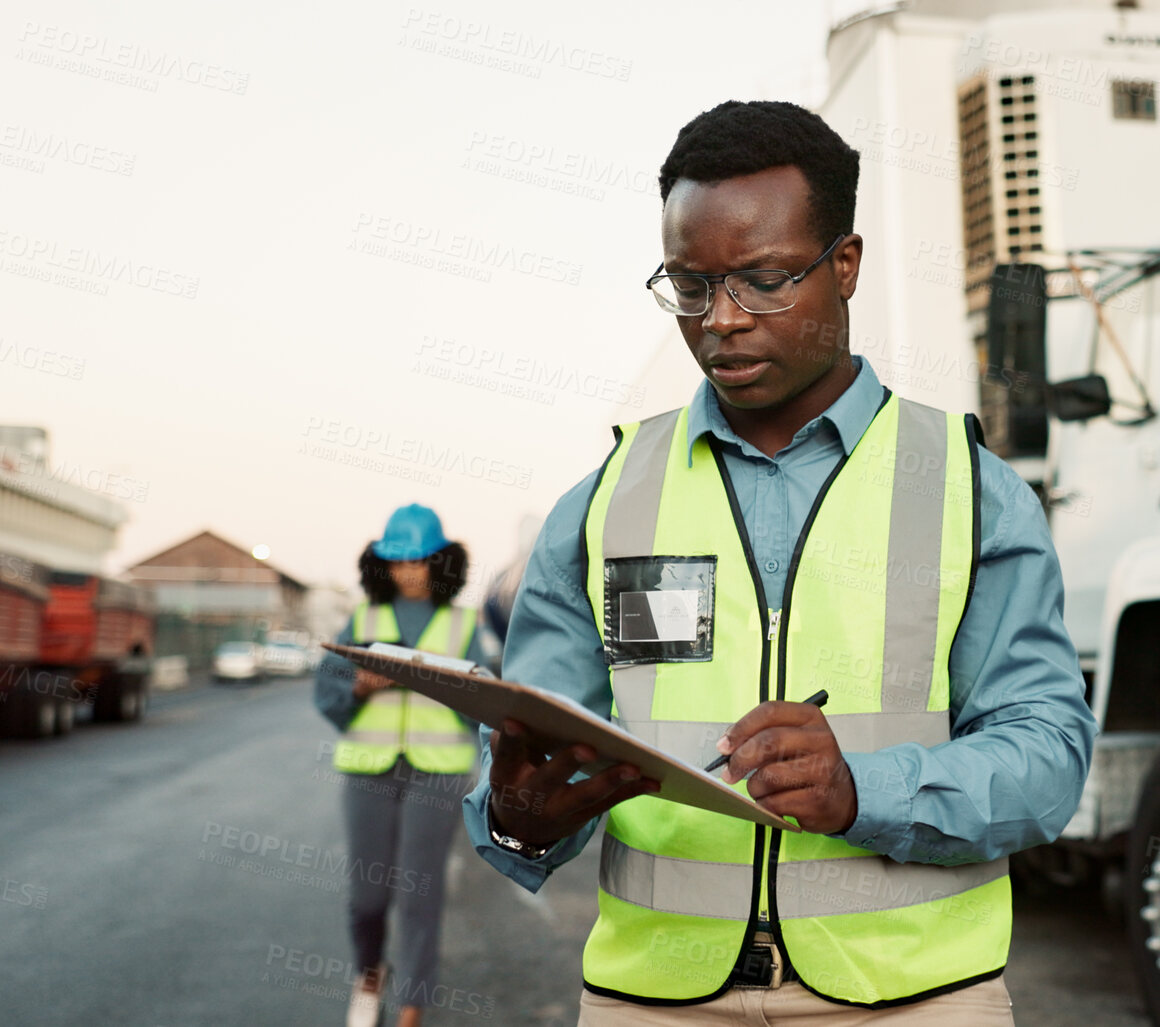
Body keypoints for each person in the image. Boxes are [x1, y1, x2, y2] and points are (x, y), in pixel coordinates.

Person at [460, 100, 1097, 1025]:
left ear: (844, 266)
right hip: (654, 1001)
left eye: (761, 281)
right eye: (689, 284)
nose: (719, 320)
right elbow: (531, 757)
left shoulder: (969, 489)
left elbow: (1048, 758)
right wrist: (516, 815)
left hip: (914, 1000)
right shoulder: (605, 501)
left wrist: (861, 791)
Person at [315, 503, 492, 1027]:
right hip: (369, 769)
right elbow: (327, 691)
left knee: (420, 890)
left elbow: (484, 701)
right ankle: (369, 974)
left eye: (419, 560)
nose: (408, 571)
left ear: (442, 563)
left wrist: (456, 688)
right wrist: (360, 686)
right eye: (397, 561)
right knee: (367, 895)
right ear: (381, 565)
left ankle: (413, 1006)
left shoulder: (463, 624)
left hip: (437, 771)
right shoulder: (362, 621)